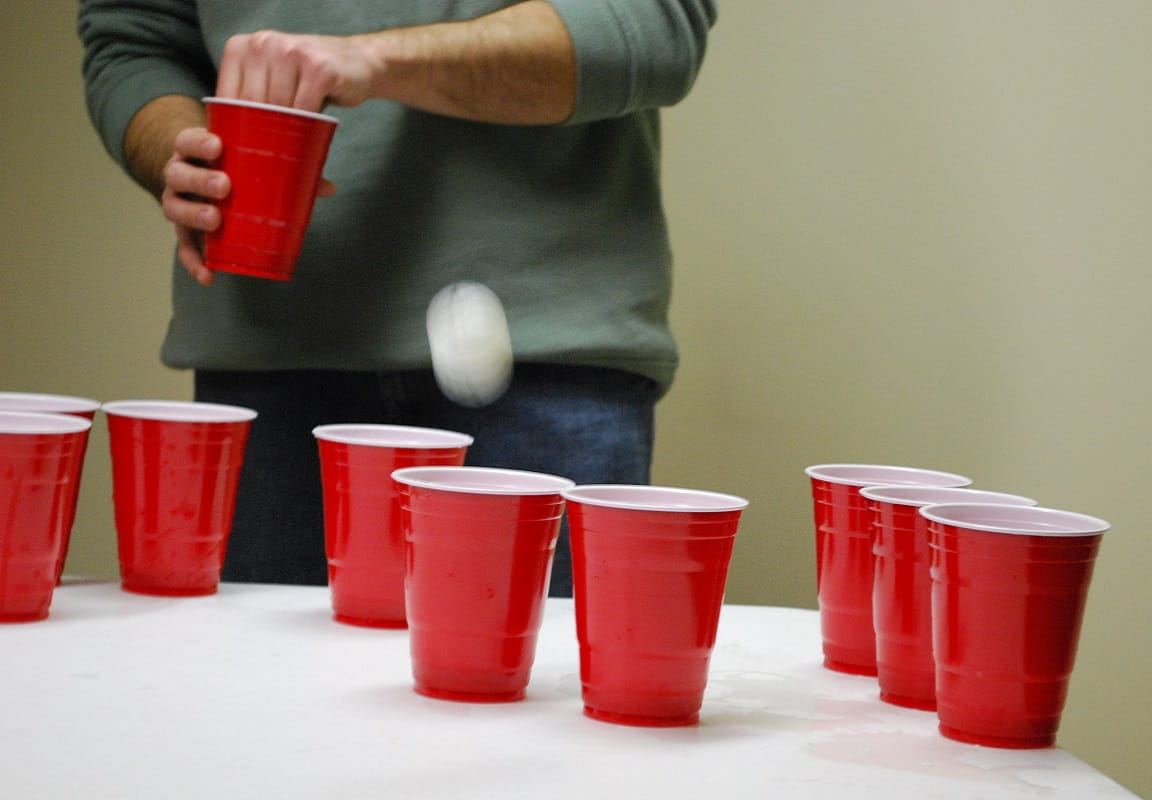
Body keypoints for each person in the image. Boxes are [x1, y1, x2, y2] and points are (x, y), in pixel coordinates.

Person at [78, 1, 717, 597]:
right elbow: (134, 38)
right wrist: (180, 153)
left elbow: (653, 24)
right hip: (269, 355)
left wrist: (375, 60)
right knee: (266, 705)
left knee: (543, 706)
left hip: (550, 361)